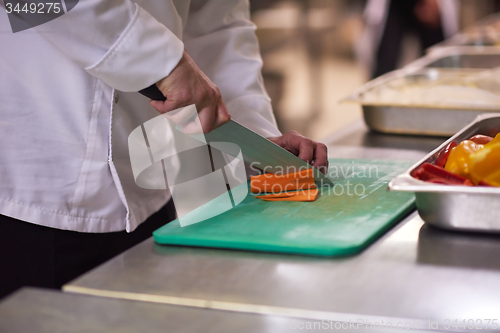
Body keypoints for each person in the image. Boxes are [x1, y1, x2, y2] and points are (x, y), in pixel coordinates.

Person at [0, 0, 328, 299]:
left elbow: (216, 24)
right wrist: (163, 62)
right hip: (28, 193)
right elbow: (34, 5)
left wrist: (254, 139)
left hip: (148, 190)